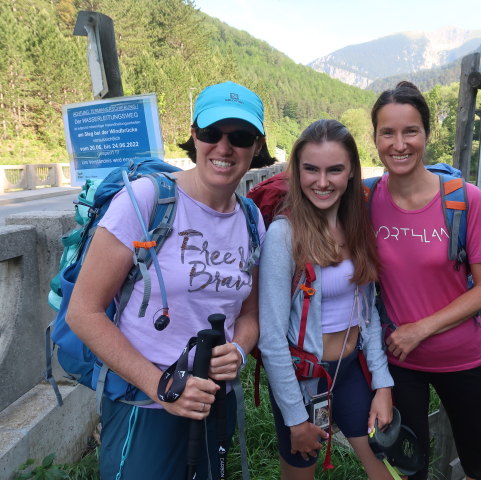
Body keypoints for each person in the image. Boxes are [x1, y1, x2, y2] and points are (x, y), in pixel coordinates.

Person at [67, 81, 272, 479]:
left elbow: (250, 312)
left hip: (214, 402)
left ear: (257, 146)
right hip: (144, 405)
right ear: (194, 135)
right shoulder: (147, 200)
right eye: (212, 133)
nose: (224, 147)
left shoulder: (250, 219)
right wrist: (162, 386)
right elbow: (84, 312)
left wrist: (240, 350)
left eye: (241, 136)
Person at [369, 81, 481, 480]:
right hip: (400, 363)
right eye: (387, 132)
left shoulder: (464, 199)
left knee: (479, 466)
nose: (399, 143)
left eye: (410, 131)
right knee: (410, 470)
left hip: (460, 357)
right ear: (374, 137)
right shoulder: (365, 201)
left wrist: (419, 330)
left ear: (426, 134)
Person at [258, 119, 395, 479]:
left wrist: (382, 384)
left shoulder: (357, 226)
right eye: (311, 170)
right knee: (301, 473)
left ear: (351, 172)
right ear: (297, 171)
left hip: (350, 372)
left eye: (334, 170)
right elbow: (271, 338)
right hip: (303, 381)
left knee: (383, 467)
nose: (322, 182)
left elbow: (368, 314)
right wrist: (295, 419)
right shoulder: (284, 235)